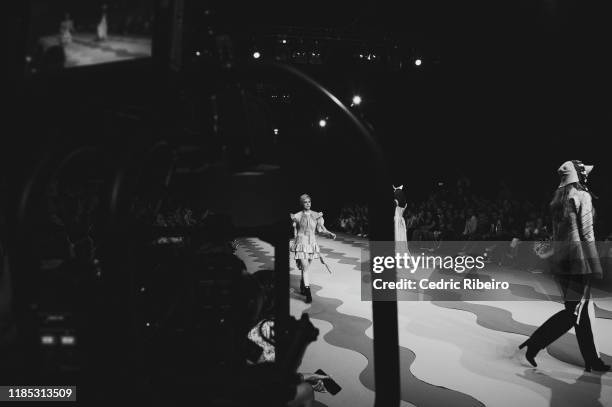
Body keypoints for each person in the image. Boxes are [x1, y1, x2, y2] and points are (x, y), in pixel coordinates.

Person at [519, 160, 610, 372]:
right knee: (574, 312)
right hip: (578, 263)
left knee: (582, 311)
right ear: (580, 176)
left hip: (562, 264)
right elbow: (587, 235)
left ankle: (592, 361)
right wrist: (596, 265)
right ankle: (535, 343)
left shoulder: (557, 200)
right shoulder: (582, 196)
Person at [290, 194, 336, 303]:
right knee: (305, 267)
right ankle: (308, 293)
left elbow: (320, 230)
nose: (308, 204)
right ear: (302, 203)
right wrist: (294, 242)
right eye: (305, 202)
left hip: (311, 244)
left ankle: (302, 283)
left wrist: (329, 233)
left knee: (306, 267)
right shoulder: (297, 216)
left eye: (309, 202)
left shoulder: (316, 215)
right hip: (301, 243)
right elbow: (295, 230)